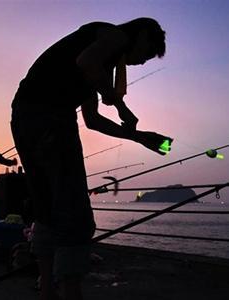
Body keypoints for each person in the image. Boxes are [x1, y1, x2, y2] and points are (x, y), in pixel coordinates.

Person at [11, 18, 171, 300]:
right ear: (143, 35)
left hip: (26, 116)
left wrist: (139, 136)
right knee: (75, 216)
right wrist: (117, 101)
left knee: (47, 210)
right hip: (51, 117)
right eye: (146, 53)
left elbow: (93, 119)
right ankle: (70, 292)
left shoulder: (100, 58)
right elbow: (88, 62)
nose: (141, 62)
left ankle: (47, 289)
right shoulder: (115, 36)